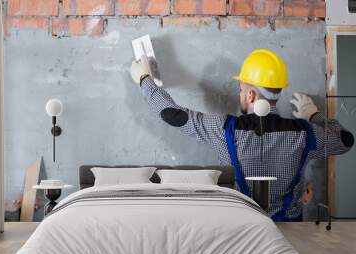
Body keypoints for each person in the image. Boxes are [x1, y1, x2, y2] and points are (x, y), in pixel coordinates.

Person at [130, 49, 354, 221]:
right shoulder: (305, 134)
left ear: (251, 94)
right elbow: (345, 140)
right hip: (291, 230)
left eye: (241, 90)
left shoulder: (225, 129)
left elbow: (172, 114)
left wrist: (144, 79)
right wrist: (314, 115)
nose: (240, 95)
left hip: (243, 228)